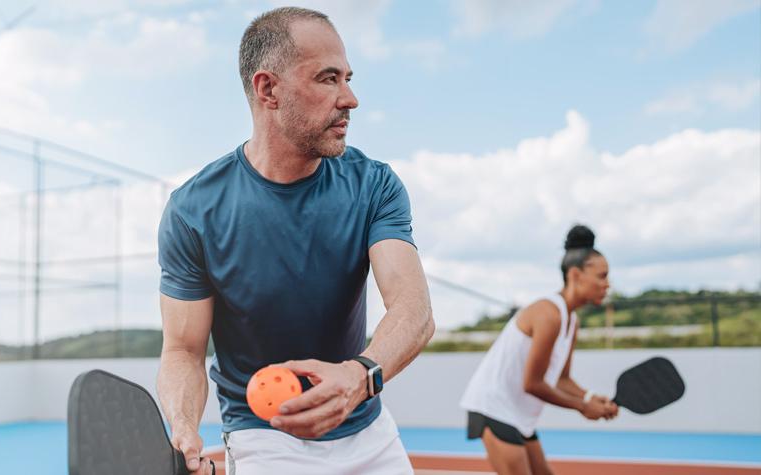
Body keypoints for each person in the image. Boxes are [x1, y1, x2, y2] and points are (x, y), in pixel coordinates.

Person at [155, 6, 434, 474]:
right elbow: (184, 348)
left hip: (368, 428)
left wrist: (358, 376)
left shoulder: (375, 185)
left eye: (347, 78)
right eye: (328, 79)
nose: (350, 99)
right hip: (263, 437)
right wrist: (184, 428)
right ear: (268, 89)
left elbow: (413, 310)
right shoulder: (192, 211)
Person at [459, 225, 620, 474]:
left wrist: (589, 397)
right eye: (602, 276)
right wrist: (582, 407)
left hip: (517, 415)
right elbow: (532, 384)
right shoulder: (549, 315)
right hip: (493, 408)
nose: (607, 284)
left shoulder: (571, 321)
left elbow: (561, 380)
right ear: (576, 275)